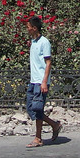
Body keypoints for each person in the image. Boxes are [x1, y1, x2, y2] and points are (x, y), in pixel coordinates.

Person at [26, 15, 60, 146]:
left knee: (38, 108)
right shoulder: (33, 42)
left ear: (34, 28)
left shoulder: (44, 42)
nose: (27, 29)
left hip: (41, 81)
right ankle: (54, 125)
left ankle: (38, 138)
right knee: (31, 109)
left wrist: (44, 81)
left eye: (29, 27)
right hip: (33, 80)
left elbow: (48, 62)